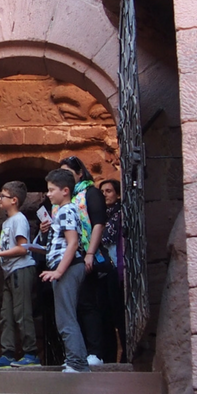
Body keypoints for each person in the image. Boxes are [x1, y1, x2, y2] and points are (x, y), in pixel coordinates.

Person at [58, 156, 113, 366]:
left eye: (68, 173)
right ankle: (78, 353)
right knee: (76, 305)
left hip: (87, 255)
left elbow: (98, 224)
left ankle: (95, 352)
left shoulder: (90, 193)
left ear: (79, 173)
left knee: (89, 303)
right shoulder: (67, 199)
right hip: (71, 258)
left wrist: (89, 253)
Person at [36, 168, 90, 373]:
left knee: (66, 318)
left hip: (67, 269)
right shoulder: (62, 211)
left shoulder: (66, 210)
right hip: (66, 267)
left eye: (51, 190)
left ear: (65, 190)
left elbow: (73, 243)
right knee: (66, 317)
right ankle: (75, 359)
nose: (48, 194)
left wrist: (58, 271)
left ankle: (77, 363)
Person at [0, 181, 40, 368]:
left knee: (22, 312)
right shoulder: (7, 222)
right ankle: (8, 352)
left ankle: (31, 353)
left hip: (20, 269)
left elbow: (22, 248)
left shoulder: (19, 220)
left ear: (14, 200)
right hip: (10, 272)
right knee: (6, 315)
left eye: (3, 195)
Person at [99, 178, 126, 363]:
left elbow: (109, 238)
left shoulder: (120, 213)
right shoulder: (99, 215)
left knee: (119, 314)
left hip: (117, 267)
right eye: (102, 191)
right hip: (103, 269)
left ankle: (126, 353)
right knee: (105, 315)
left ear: (117, 194)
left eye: (108, 191)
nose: (105, 195)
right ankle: (108, 356)